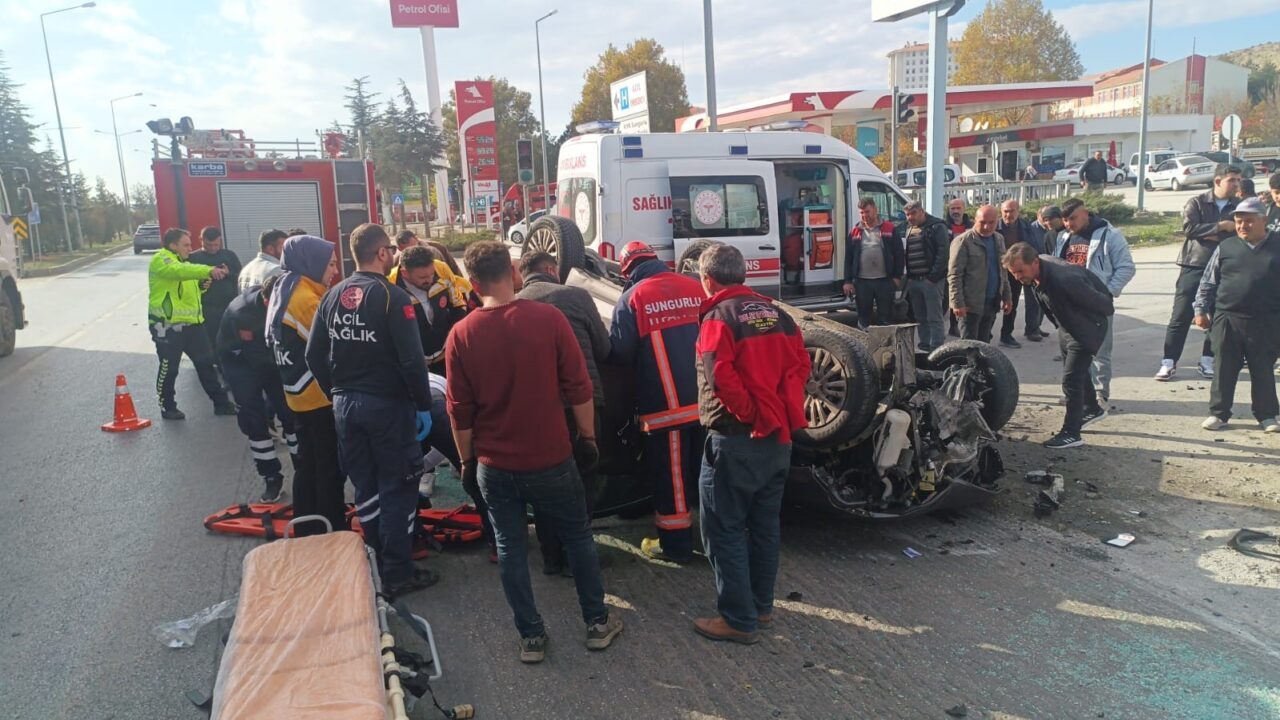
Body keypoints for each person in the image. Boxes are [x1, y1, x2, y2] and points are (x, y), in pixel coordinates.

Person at [445, 241, 621, 664]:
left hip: (494, 465)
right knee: (578, 536)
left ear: (472, 284)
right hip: (551, 458)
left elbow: (459, 410)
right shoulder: (548, 319)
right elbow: (579, 386)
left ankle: (531, 637)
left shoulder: (461, 334)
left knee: (510, 546)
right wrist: (587, 438)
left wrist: (466, 461)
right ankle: (597, 623)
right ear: (513, 273)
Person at [306, 223, 439, 597]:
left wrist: (336, 392)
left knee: (365, 486)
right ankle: (398, 571)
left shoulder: (331, 296)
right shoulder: (392, 297)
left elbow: (313, 355)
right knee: (398, 486)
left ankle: (377, 562)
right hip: (387, 406)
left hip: (345, 406)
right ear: (382, 253)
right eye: (391, 251)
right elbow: (412, 361)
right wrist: (423, 405)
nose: (393, 256)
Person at [691, 243, 809, 645]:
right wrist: (780, 408)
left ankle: (738, 620)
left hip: (736, 438)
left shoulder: (718, 317)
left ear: (708, 280)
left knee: (722, 529)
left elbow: (719, 377)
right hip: (779, 440)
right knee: (764, 526)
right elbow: (802, 364)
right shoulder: (778, 314)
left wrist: (753, 414)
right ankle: (760, 607)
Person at [517, 251, 612, 574]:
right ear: (550, 269)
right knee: (583, 478)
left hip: (538, 410)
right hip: (583, 404)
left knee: (545, 481)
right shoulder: (576, 296)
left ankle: (552, 556)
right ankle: (578, 557)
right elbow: (604, 349)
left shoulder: (514, 305)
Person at [610, 241, 705, 564]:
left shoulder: (632, 298)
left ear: (628, 271)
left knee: (672, 479)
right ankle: (718, 540)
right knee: (708, 473)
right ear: (656, 260)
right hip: (710, 403)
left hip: (667, 409)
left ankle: (676, 546)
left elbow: (620, 352)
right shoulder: (694, 286)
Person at [265, 235, 346, 536]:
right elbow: (334, 346)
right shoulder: (306, 300)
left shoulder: (285, 287)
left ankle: (307, 526)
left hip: (296, 394)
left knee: (307, 464)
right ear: (311, 262)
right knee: (328, 467)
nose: (335, 271)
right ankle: (331, 530)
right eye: (330, 265)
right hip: (318, 395)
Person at [1004, 243, 1114, 449]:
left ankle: (1071, 433)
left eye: (1020, 271)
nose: (1017, 277)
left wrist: (1083, 320)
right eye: (1013, 273)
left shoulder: (1065, 280)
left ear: (1035, 263)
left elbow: (1106, 305)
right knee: (1078, 373)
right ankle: (1092, 408)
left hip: (1085, 330)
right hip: (1066, 327)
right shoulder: (1038, 271)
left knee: (1071, 380)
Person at [1193, 198, 1280, 433]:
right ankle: (1218, 413)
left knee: (1263, 369)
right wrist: (1200, 310)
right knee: (1224, 368)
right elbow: (1208, 282)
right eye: (1239, 221)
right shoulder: (1226, 247)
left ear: (1264, 221)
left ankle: (1267, 415)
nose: (1242, 226)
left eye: (1248, 221)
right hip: (1227, 318)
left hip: (1266, 321)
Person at [1157, 163, 1241, 381]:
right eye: (1232, 180)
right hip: (1194, 264)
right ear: (1218, 181)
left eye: (1238, 180)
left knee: (1217, 315)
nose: (1236, 184)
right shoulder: (1197, 202)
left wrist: (1212, 233)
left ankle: (1207, 360)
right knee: (1181, 315)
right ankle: (1168, 362)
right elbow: (1190, 229)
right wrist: (1221, 227)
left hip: (1225, 266)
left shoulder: (1239, 206)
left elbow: (1240, 233)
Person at [216, 275, 297, 502]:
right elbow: (261, 360)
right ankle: (271, 476)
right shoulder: (243, 314)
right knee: (253, 418)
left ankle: (304, 468)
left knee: (290, 412)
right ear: (267, 301)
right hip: (240, 362)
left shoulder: (283, 302)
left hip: (268, 357)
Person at [1054, 197, 1136, 406]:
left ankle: (1100, 394)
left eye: (1072, 218)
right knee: (1072, 351)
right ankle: (1077, 393)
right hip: (1070, 304)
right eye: (1065, 220)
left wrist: (1106, 293)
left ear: (1085, 213)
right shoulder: (1063, 237)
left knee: (1099, 351)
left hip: (1096, 304)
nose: (1068, 224)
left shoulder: (1110, 235)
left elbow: (1126, 267)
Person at [147, 228, 235, 420]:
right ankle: (167, 406)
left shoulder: (183, 262)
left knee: (206, 364)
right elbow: (179, 273)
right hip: (167, 326)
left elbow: (188, 289)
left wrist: (201, 286)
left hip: (193, 324)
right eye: (186, 245)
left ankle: (221, 404)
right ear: (173, 245)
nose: (190, 248)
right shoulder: (162, 259)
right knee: (169, 368)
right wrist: (208, 270)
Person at [387, 245, 467, 375]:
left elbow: (458, 304)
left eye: (431, 274)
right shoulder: (390, 285)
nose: (429, 280)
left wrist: (453, 335)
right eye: (422, 277)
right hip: (413, 361)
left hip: (446, 353)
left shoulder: (441, 269)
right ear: (405, 273)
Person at [948, 205, 1012, 343]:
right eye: (982, 222)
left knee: (984, 344)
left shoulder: (999, 239)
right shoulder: (963, 241)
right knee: (969, 346)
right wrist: (957, 303)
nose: (987, 227)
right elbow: (954, 275)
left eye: (991, 222)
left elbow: (1003, 271)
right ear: (975, 220)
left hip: (991, 302)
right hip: (970, 305)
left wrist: (1007, 296)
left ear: (997, 221)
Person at [843, 197, 904, 327]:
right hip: (862, 282)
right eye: (862, 212)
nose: (865, 215)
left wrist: (897, 277)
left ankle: (885, 340)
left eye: (867, 211)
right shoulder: (855, 231)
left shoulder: (889, 228)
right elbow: (848, 258)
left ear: (875, 210)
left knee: (885, 317)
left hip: (885, 281)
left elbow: (899, 254)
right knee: (863, 317)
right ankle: (864, 337)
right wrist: (848, 281)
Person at [900, 200, 951, 352]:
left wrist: (933, 277)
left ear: (922, 212)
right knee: (920, 316)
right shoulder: (910, 229)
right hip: (914, 280)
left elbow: (943, 253)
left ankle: (936, 348)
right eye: (907, 215)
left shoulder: (937, 227)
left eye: (913, 213)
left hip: (931, 281)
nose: (910, 217)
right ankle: (924, 345)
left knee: (934, 317)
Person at [188, 226, 243, 363]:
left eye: (216, 245)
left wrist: (228, 273)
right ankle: (215, 364)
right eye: (209, 245)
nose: (213, 248)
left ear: (220, 241)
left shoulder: (229, 255)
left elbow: (241, 278)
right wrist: (201, 284)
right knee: (210, 340)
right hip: (206, 308)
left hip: (229, 306)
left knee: (230, 338)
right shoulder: (193, 258)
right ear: (201, 240)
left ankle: (231, 364)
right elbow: (186, 284)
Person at [996, 199, 1044, 348]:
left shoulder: (1026, 226)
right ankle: (984, 335)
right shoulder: (995, 226)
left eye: (1012, 211)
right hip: (1000, 270)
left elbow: (1034, 246)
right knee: (993, 303)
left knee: (1014, 303)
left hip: (1020, 270)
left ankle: (1008, 335)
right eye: (1005, 211)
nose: (1008, 214)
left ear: (1018, 211)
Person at [945, 198, 973, 337]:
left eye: (958, 208)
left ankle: (958, 325)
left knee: (964, 298)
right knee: (949, 298)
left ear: (964, 209)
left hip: (968, 267)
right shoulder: (943, 226)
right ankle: (951, 326)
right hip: (948, 267)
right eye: (953, 208)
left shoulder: (972, 226)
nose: (955, 211)